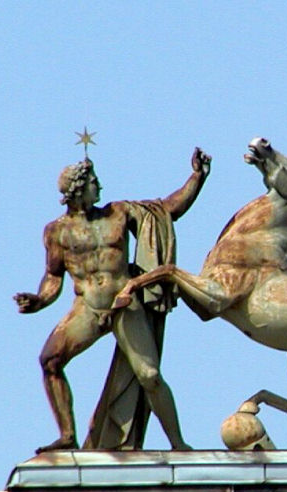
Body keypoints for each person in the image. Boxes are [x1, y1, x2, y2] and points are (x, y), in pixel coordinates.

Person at [15, 148, 211, 452]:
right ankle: (68, 435)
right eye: (94, 181)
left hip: (124, 302)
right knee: (50, 361)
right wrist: (39, 300)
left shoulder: (118, 213)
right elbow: (54, 278)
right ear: (78, 189)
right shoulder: (57, 232)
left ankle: (178, 443)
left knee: (150, 375)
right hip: (88, 308)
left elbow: (166, 211)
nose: (100, 186)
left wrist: (197, 178)